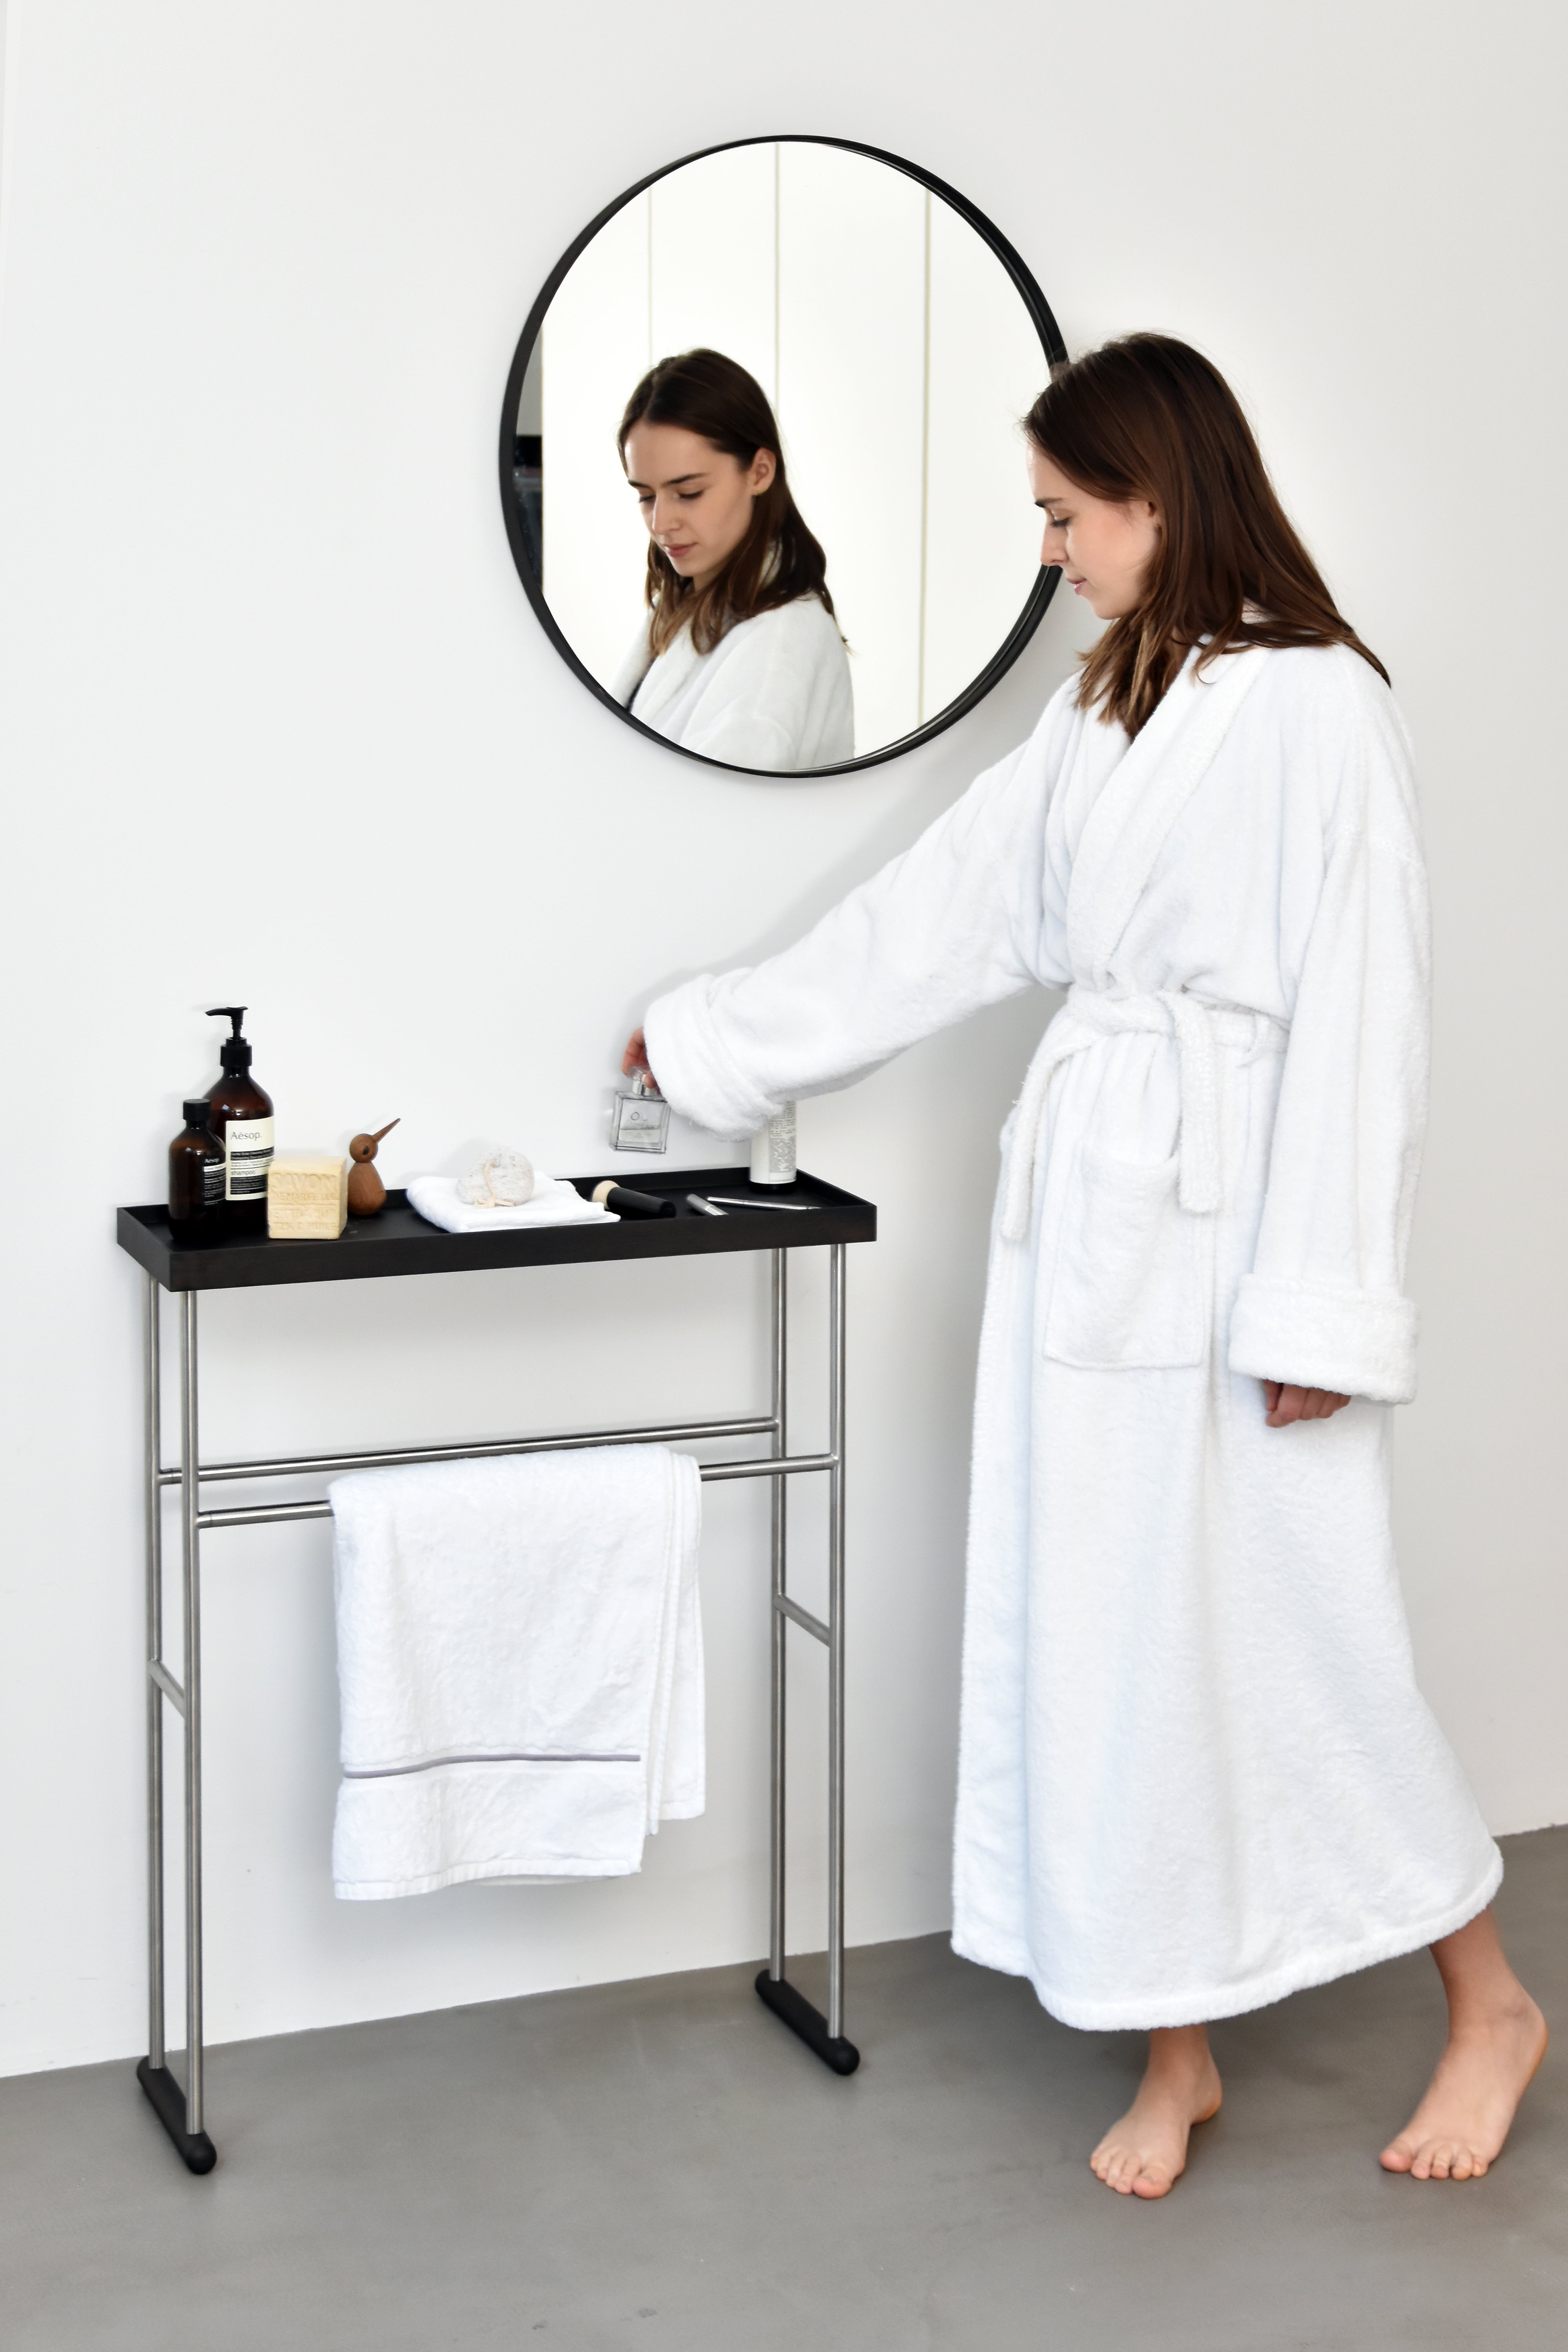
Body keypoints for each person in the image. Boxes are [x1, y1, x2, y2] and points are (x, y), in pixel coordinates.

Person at [622, 335, 1546, 2196]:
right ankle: (1172, 2044)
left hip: (1238, 1232)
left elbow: (1366, 1022)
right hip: (1094, 1236)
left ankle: (1489, 2001)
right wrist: (713, 1035)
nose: (1046, 554)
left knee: (1309, 1630)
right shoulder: (1106, 701)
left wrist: (1319, 1311)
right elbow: (938, 916)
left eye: (1061, 517)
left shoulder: (1317, 705)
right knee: (1110, 1636)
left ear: (1155, 496)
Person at [612, 348, 854, 773]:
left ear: (759, 472)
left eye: (688, 493)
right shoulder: (682, 606)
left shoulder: (780, 644)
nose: (661, 523)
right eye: (646, 496)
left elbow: (723, 807)